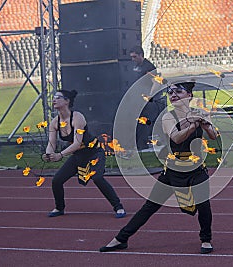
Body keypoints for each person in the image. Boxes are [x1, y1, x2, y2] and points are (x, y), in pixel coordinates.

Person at [99, 82, 218, 254]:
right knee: (149, 207)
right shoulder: (168, 117)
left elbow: (213, 136)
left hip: (196, 168)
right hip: (172, 170)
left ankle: (206, 240)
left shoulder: (199, 113)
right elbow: (176, 138)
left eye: (178, 91)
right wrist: (193, 124)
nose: (173, 95)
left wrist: (205, 123)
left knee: (204, 205)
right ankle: (121, 238)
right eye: (170, 92)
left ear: (190, 95)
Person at [42, 90, 126, 218]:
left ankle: (118, 207)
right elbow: (51, 143)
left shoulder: (77, 117)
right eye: (53, 98)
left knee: (97, 178)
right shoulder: (54, 122)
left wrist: (60, 155)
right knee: (56, 181)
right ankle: (59, 208)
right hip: (78, 156)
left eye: (58, 97)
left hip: (94, 153)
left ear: (67, 101)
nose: (54, 100)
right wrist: (48, 154)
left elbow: (76, 143)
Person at [129, 46, 165, 151]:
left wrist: (149, 96)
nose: (133, 59)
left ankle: (142, 145)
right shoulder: (134, 66)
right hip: (136, 98)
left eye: (135, 57)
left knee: (144, 122)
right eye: (131, 57)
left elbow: (156, 83)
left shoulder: (149, 67)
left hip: (146, 100)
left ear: (141, 55)